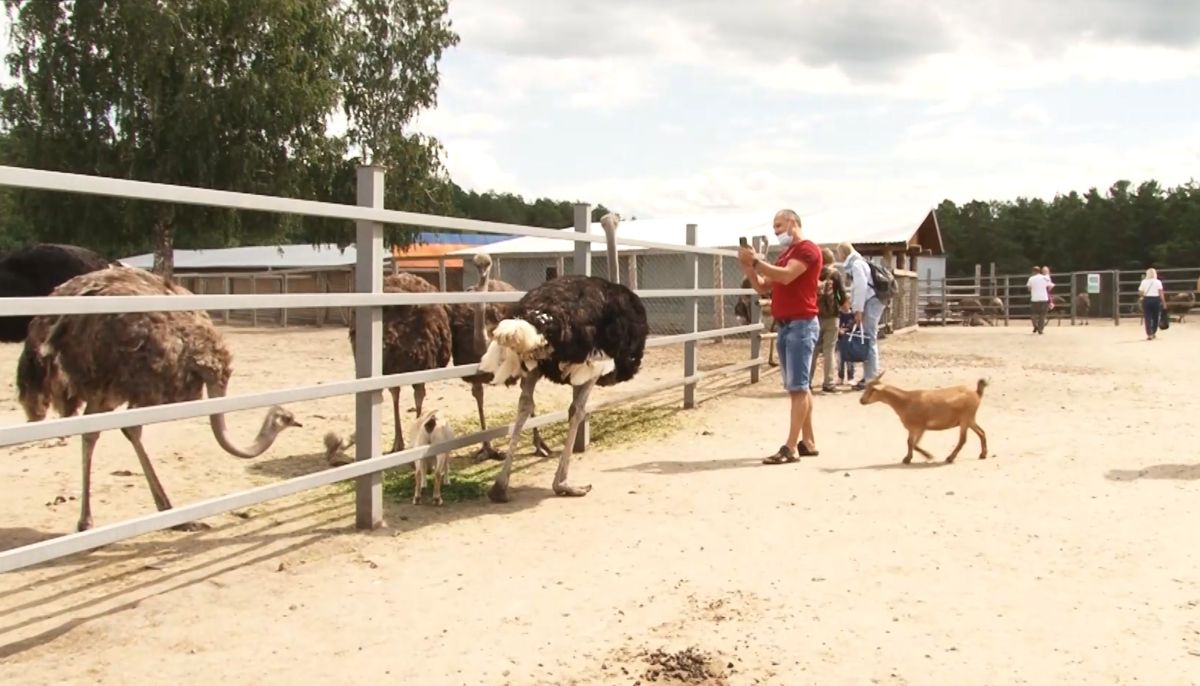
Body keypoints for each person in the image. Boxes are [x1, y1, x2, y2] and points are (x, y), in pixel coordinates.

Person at [738, 209, 822, 464]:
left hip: (801, 324)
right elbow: (765, 286)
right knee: (799, 386)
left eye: (779, 225)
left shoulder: (807, 250)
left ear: (794, 222)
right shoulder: (787, 254)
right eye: (774, 226)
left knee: (797, 388)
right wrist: (750, 269)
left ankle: (790, 447)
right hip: (787, 325)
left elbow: (786, 276)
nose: (776, 231)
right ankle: (807, 441)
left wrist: (755, 262)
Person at [835, 242, 883, 390]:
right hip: (872, 301)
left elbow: (861, 287)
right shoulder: (860, 263)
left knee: (868, 339)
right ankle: (870, 375)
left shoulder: (856, 265)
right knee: (868, 338)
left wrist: (858, 309)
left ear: (843, 253)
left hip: (869, 302)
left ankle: (870, 378)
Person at [808, 247, 845, 393]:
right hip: (831, 315)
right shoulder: (835, 274)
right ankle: (828, 383)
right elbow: (840, 294)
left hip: (815, 315)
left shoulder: (813, 273)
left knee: (814, 349)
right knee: (829, 349)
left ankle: (807, 382)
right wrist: (843, 305)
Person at [1138, 267, 1165, 340]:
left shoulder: (1144, 282)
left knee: (1147, 317)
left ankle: (1149, 334)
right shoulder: (1158, 282)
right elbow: (1161, 293)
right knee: (1156, 317)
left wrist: (1142, 297)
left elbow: (1140, 292)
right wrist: (1164, 302)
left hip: (1147, 299)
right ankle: (1153, 332)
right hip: (1156, 300)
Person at [836, 297, 857, 385]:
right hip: (840, 340)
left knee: (850, 360)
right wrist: (839, 330)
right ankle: (840, 377)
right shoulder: (838, 315)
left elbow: (855, 326)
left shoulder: (853, 315)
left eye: (847, 303)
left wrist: (848, 330)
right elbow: (836, 325)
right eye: (843, 303)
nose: (845, 305)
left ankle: (850, 377)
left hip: (850, 340)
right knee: (840, 360)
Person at [1026, 265, 1050, 334]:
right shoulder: (1045, 278)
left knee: (1033, 314)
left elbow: (1029, 288)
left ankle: (1035, 326)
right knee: (1042, 315)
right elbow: (1049, 286)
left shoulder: (1031, 279)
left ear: (1033, 271)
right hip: (1044, 298)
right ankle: (1040, 329)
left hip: (1034, 299)